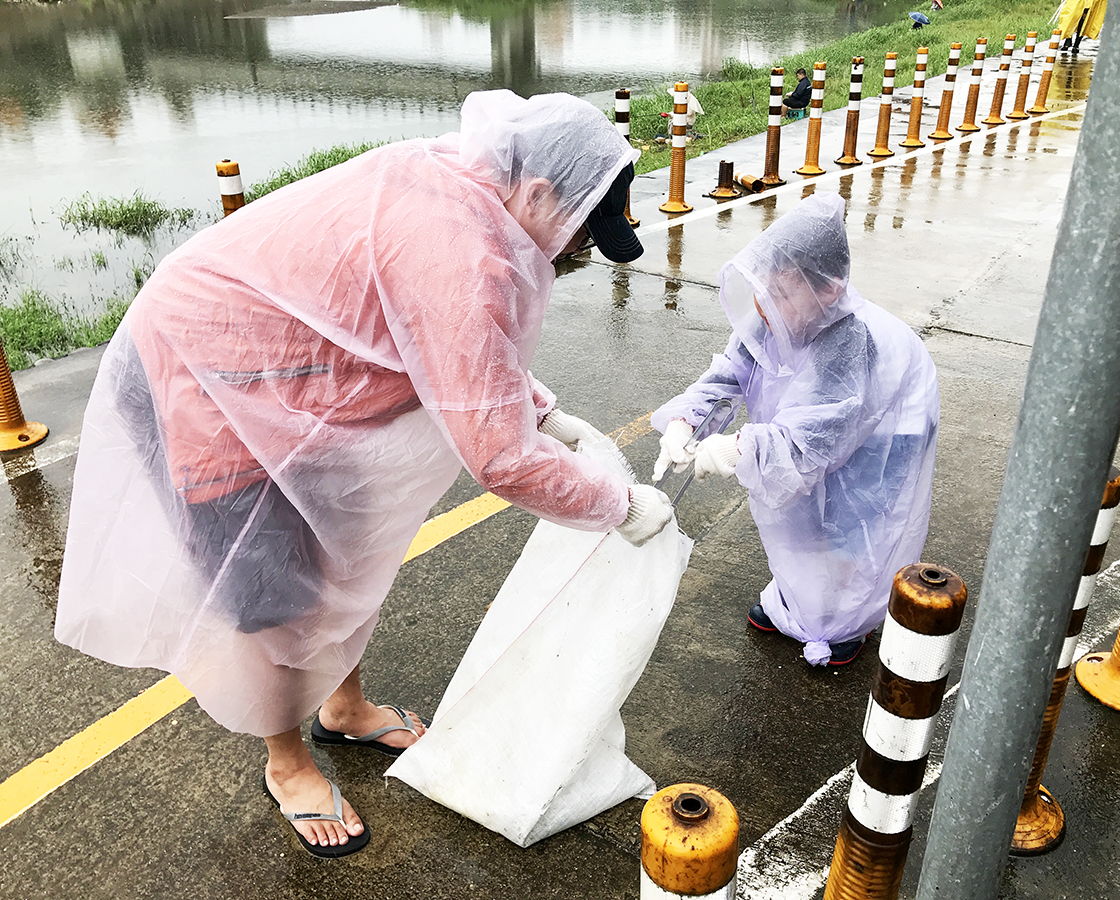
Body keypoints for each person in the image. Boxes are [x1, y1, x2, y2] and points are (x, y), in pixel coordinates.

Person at [55, 90, 675, 858]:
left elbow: (458, 353)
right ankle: (287, 765)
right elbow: (500, 457)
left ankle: (343, 709)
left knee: (343, 555)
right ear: (542, 189)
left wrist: (543, 411)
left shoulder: (477, 183)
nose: (576, 248)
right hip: (201, 376)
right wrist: (614, 504)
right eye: (582, 228)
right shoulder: (457, 245)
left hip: (292, 375)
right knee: (273, 592)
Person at [650, 193, 939, 667]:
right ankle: (798, 598)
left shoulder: (852, 344)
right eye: (764, 289)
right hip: (824, 431)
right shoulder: (772, 318)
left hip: (888, 432)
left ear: (828, 290)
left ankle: (846, 621)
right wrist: (687, 421)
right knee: (799, 515)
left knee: (851, 519)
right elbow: (730, 374)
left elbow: (807, 448)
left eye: (781, 293)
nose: (766, 305)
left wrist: (736, 447)